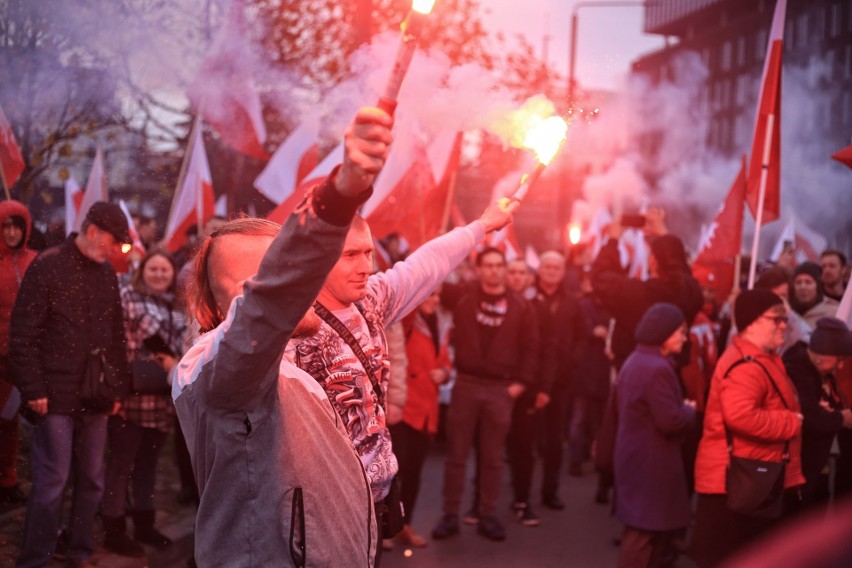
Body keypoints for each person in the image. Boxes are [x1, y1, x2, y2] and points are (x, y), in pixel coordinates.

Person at [173, 107, 394, 567]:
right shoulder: (215, 371)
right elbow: (259, 316)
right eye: (255, 286)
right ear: (208, 310)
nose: (286, 292)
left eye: (287, 273)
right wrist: (337, 196)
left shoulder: (286, 370)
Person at [291, 200, 518, 548]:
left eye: (367, 253)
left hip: (372, 504)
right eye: (350, 255)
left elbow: (424, 265)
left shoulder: (372, 301)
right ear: (317, 256)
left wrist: (482, 225)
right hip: (319, 512)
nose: (365, 266)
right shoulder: (289, 325)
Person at [10, 201, 133, 568]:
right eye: (114, 242)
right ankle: (36, 559)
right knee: (52, 482)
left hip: (94, 395)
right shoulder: (47, 267)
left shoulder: (105, 274)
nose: (116, 250)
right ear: (92, 231)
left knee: (92, 480)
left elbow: (115, 337)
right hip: (54, 397)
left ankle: (78, 552)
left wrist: (116, 392)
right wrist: (34, 390)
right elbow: (22, 336)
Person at [690, 289, 805, 568]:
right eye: (775, 319)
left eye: (784, 318)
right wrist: (790, 422)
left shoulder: (761, 357)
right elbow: (740, 415)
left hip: (748, 478)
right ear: (752, 322)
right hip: (740, 481)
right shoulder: (746, 366)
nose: (783, 325)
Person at [431, 247, 538, 542]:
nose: (493, 270)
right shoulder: (463, 296)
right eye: (487, 265)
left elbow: (531, 348)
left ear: (504, 269)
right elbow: (431, 277)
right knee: (456, 456)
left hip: (500, 389)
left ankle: (487, 514)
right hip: (466, 384)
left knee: (492, 459)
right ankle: (450, 514)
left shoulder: (520, 306)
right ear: (478, 270)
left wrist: (520, 384)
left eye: (498, 265)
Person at [103, 249, 187, 557]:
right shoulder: (130, 296)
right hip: (133, 394)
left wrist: (176, 361)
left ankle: (144, 524)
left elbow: (184, 343)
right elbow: (150, 337)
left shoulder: (177, 307)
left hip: (161, 398)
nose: (159, 274)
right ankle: (114, 528)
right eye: (153, 268)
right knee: (121, 463)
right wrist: (175, 360)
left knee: (148, 466)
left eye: (165, 270)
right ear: (142, 271)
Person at [614, 303, 697, 568]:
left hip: (636, 455)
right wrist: (689, 410)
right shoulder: (657, 368)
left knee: (642, 529)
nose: (685, 338)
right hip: (651, 460)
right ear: (664, 333)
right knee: (642, 531)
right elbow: (670, 420)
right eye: (681, 332)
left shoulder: (636, 360)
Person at [388, 287, 453, 548]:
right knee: (394, 473)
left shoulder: (443, 323)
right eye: (429, 294)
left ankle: (405, 525)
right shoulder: (407, 321)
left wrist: (445, 373)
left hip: (428, 409)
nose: (434, 300)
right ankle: (385, 529)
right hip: (404, 407)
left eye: (437, 295)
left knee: (414, 473)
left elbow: (445, 360)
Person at [783, 317, 852, 510]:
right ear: (822, 354)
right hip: (798, 469)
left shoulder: (822, 372)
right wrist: (841, 419)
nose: (840, 367)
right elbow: (809, 414)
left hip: (816, 467)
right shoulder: (796, 370)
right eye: (838, 360)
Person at [0, 201, 38, 506]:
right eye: (5, 226)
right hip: (0, 358)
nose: (12, 232)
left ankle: (8, 478)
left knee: (11, 420)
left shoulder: (36, 262)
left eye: (17, 225)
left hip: (26, 359)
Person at [791, 261, 838, 328]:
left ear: (818, 286)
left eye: (808, 282)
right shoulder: (787, 312)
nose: (803, 287)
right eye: (798, 282)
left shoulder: (834, 313)